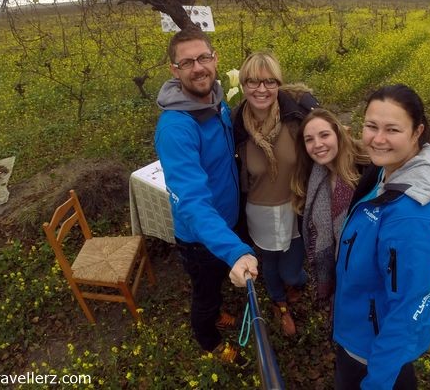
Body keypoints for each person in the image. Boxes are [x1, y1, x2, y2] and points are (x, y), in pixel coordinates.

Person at [333, 84, 430, 390]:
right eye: (371, 126)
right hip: (360, 324)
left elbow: (406, 313)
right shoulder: (390, 170)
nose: (378, 138)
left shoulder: (410, 215)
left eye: (392, 129)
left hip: (372, 347)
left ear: (417, 132)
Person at [154, 27, 258, 365]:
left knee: (215, 289)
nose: (198, 67)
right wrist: (234, 249)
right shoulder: (176, 127)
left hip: (226, 220)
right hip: (200, 238)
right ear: (175, 70)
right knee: (206, 294)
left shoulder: (215, 100)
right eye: (187, 62)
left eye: (203, 58)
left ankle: (214, 317)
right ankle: (209, 340)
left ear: (215, 60)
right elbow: (193, 201)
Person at [232, 51, 318, 337]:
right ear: (243, 85)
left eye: (269, 81)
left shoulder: (296, 117)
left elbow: (328, 143)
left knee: (292, 269)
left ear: (278, 84)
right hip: (259, 210)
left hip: (295, 207)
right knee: (269, 264)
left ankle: (295, 282)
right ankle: (281, 305)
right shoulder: (235, 126)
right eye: (254, 81)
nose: (262, 89)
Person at [291, 108, 369, 304]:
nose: (317, 144)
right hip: (339, 266)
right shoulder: (314, 177)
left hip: (369, 269)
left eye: (324, 135)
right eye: (309, 139)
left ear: (338, 134)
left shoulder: (367, 168)